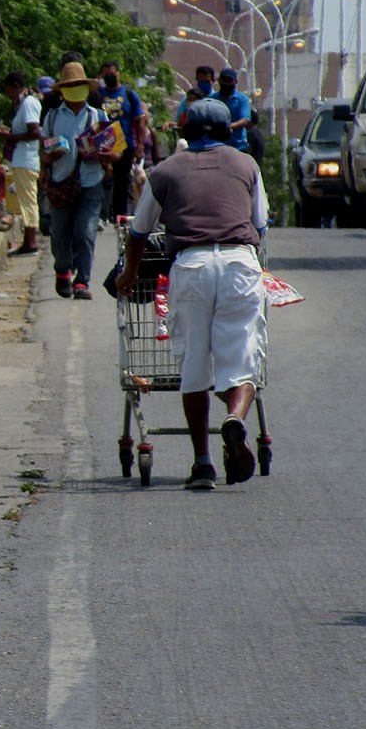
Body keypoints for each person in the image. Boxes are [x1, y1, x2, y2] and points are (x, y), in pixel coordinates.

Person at [116, 98, 268, 491]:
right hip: (239, 263)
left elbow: (138, 232)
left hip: (191, 266)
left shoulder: (165, 171)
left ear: (183, 132)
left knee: (194, 370)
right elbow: (260, 225)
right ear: (226, 132)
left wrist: (129, 275)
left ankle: (202, 464)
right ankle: (235, 418)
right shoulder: (245, 165)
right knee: (242, 363)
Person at [43, 61, 114, 300]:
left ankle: (82, 280)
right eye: (70, 85)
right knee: (60, 234)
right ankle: (62, 270)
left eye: (78, 85)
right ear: (63, 89)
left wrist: (104, 155)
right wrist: (51, 156)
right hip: (60, 183)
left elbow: (116, 151)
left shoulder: (98, 116)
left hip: (90, 182)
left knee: (85, 232)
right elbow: (42, 151)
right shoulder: (52, 117)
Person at [0, 71, 42, 254]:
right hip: (22, 159)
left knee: (28, 201)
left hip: (26, 159)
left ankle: (31, 241)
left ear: (15, 86)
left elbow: (35, 132)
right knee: (25, 200)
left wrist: (11, 136)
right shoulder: (23, 103)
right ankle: (27, 239)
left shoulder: (28, 103)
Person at [98, 60, 147, 222]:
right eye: (106, 75)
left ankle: (119, 216)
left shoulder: (129, 94)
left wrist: (140, 146)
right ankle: (102, 215)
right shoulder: (99, 95)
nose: (109, 77)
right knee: (102, 180)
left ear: (118, 74)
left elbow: (140, 122)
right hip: (104, 146)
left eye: (112, 74)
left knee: (122, 182)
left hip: (125, 146)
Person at [214, 67, 253, 154]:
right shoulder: (212, 99)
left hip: (238, 146)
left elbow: (245, 119)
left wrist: (230, 127)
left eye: (229, 80)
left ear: (235, 82)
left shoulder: (242, 99)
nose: (227, 84)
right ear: (219, 81)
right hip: (216, 146)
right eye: (224, 80)